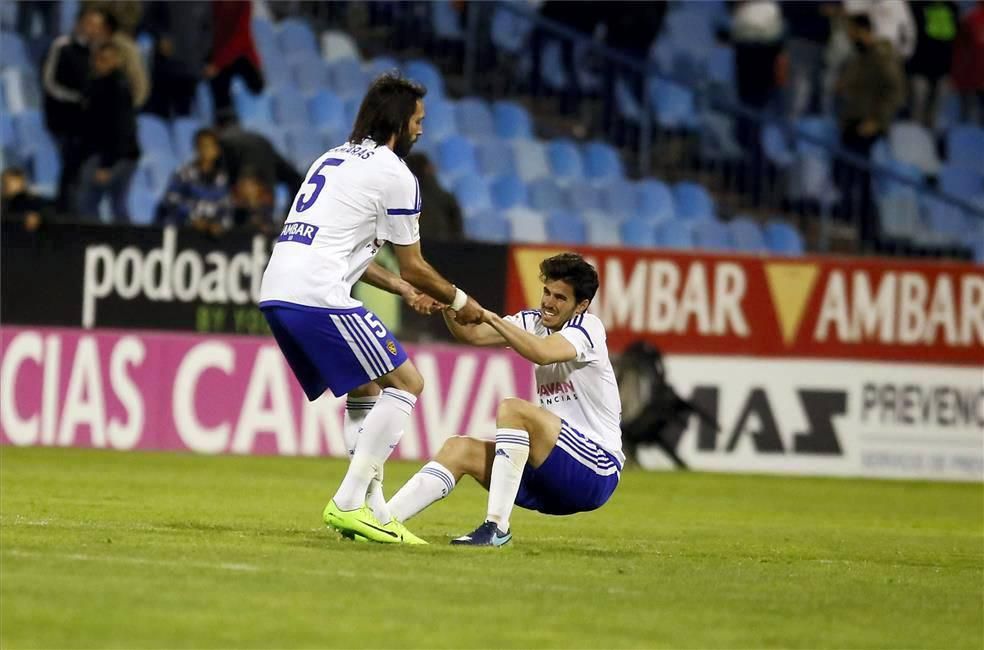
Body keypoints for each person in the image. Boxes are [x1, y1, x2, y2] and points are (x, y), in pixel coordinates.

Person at [257, 74, 486, 545]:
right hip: (318, 292)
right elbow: (417, 264)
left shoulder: (333, 157)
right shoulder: (395, 174)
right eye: (419, 120)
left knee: (365, 385)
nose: (423, 129)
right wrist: (460, 302)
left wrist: (400, 288)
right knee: (408, 382)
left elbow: (348, 253)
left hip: (280, 287)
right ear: (400, 122)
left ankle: (374, 512)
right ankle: (347, 503)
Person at [386, 253, 624, 547]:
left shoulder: (588, 328)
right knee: (458, 449)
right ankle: (382, 521)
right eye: (547, 292)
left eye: (560, 298)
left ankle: (496, 527)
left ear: (582, 305)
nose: (548, 303)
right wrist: (447, 301)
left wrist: (490, 316)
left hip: (595, 470)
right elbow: (472, 335)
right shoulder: (533, 321)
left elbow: (542, 352)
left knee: (515, 410)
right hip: (550, 473)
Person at [42, 7, 111, 213]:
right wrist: (75, 99)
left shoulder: (98, 53)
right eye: (90, 23)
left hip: (86, 125)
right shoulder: (62, 46)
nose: (93, 29)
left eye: (98, 26)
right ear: (79, 23)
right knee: (69, 169)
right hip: (62, 120)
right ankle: (64, 214)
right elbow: (49, 83)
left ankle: (75, 214)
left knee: (81, 173)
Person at [77, 41, 141, 222]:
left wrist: (107, 164)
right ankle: (119, 245)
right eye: (98, 59)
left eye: (105, 60)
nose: (100, 63)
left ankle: (98, 244)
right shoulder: (100, 84)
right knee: (114, 205)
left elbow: (120, 128)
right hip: (119, 154)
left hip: (113, 156)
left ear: (115, 62)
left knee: (92, 203)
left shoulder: (115, 88)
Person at [142, 1, 212, 119]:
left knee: (185, 116)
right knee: (158, 117)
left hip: (190, 69)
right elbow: (147, 20)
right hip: (165, 68)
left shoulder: (205, 3)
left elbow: (208, 30)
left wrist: (202, 54)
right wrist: (160, 37)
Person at [155, 128, 232, 235]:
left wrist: (219, 224)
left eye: (209, 146)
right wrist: (192, 219)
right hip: (182, 232)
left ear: (217, 150)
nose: (205, 150)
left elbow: (226, 209)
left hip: (210, 236)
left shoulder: (221, 179)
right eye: (201, 146)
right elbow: (170, 201)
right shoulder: (183, 174)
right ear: (196, 148)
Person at [206, 0, 265, 115]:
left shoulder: (243, 4)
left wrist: (217, 63)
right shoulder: (214, 4)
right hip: (220, 56)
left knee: (256, 86)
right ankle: (224, 119)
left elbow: (239, 38)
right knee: (216, 82)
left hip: (240, 56)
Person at [404, 153, 463, 242]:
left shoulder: (399, 200)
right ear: (428, 169)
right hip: (442, 250)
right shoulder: (445, 198)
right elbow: (457, 234)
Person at [1, 167, 55, 232]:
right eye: (4, 183)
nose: (6, 186)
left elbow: (49, 212)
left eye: (9, 183)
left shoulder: (31, 201)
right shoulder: (3, 202)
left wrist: (38, 216)